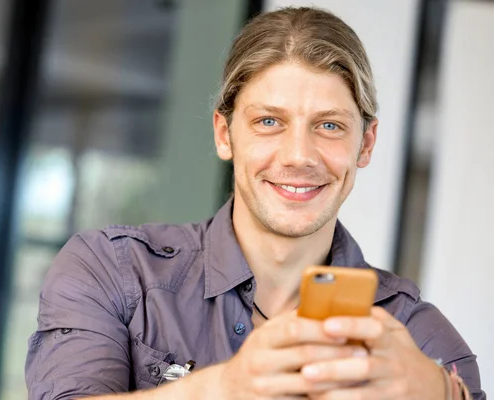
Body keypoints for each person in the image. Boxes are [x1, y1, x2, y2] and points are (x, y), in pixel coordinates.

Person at [25, 6, 484, 400]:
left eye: (329, 126)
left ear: (365, 145)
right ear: (225, 134)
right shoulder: (110, 270)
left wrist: (440, 392)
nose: (299, 156)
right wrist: (225, 386)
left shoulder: (415, 338)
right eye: (269, 121)